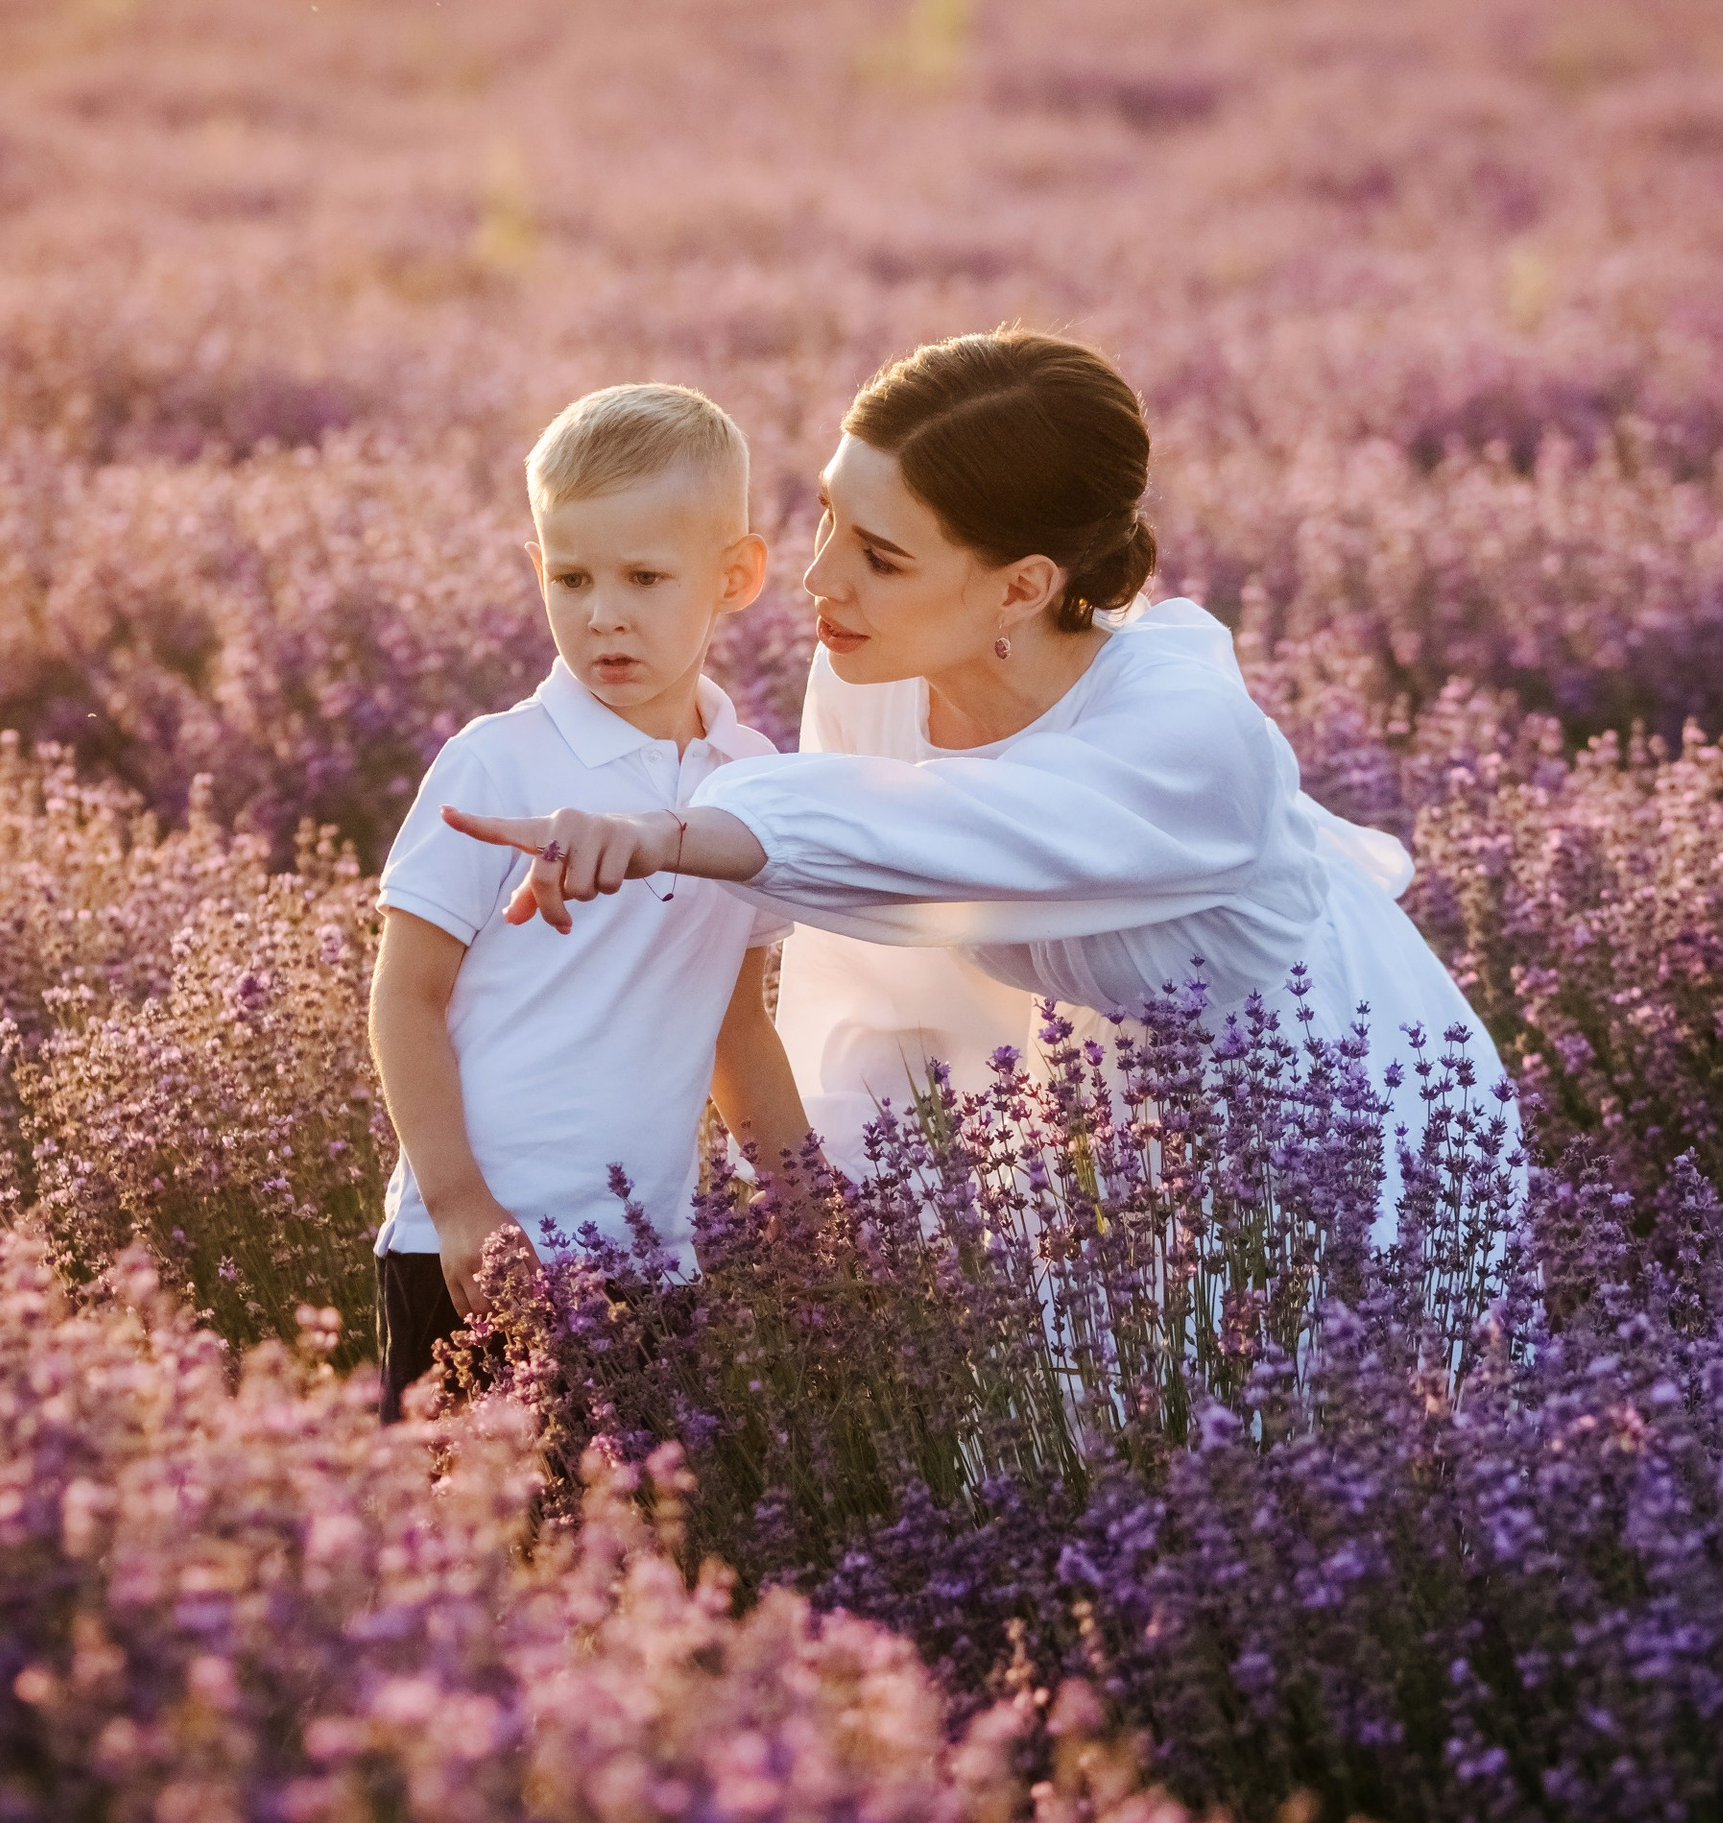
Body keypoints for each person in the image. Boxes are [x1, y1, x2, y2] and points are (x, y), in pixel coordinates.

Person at [440, 331, 1504, 1236]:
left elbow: (949, 836)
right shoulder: (871, 676)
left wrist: (676, 832)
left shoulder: (1190, 736)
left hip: (1321, 1139)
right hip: (1067, 1134)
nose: (817, 579)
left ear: (1024, 587)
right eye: (825, 517)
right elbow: (878, 969)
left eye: (881, 556)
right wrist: (837, 1216)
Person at [368, 382, 807, 1423]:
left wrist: (810, 1210)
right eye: (570, 577)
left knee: (627, 1559)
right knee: (458, 1556)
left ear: (734, 577)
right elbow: (404, 999)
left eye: (645, 577)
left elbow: (736, 1028)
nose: (602, 612)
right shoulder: (495, 761)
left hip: (648, 1261)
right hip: (472, 1251)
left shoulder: (747, 778)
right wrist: (459, 1204)